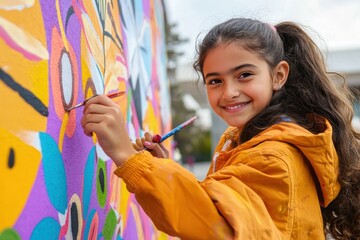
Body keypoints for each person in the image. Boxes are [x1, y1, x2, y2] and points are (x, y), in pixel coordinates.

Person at [81, 18, 360, 239]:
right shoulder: (250, 140)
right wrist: (163, 168)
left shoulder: (272, 155)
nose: (229, 92)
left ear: (278, 75)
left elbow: (215, 225)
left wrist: (127, 156)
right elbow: (226, 202)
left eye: (244, 75)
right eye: (215, 81)